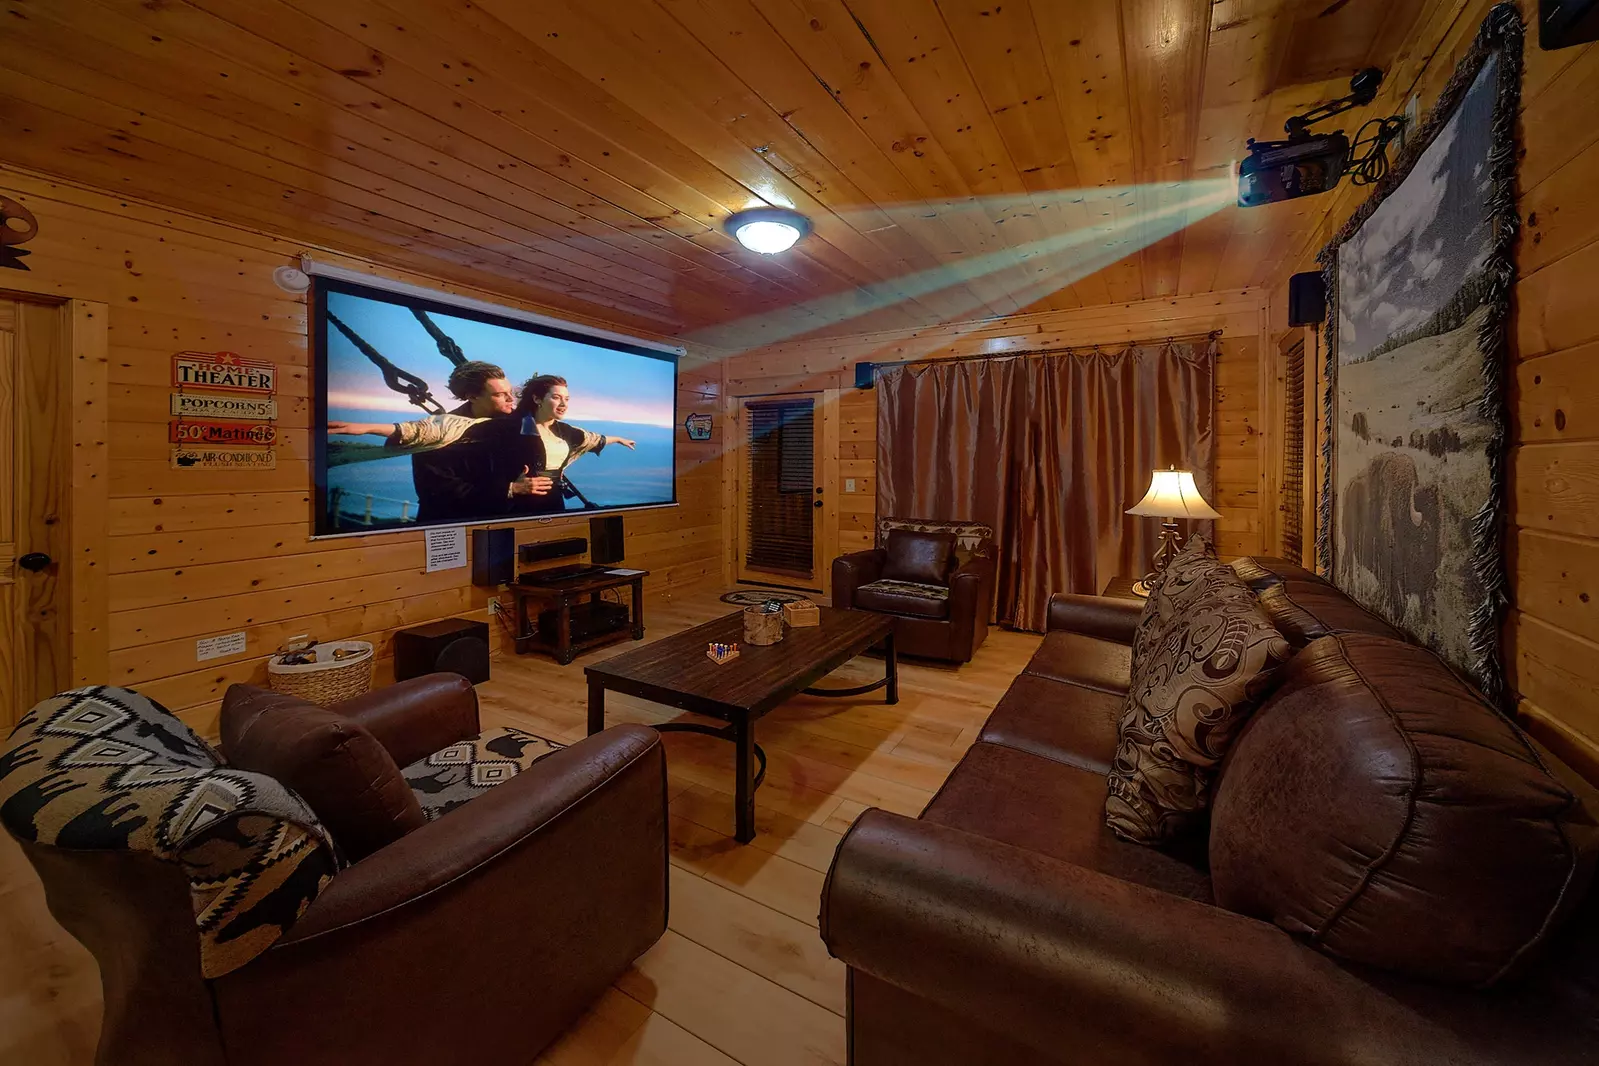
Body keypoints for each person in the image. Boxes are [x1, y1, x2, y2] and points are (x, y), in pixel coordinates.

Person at [327, 361, 517, 524]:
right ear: (473, 397)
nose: (511, 399)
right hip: (448, 528)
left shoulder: (517, 424)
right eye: (500, 394)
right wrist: (510, 490)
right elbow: (443, 493)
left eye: (510, 392)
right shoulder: (439, 435)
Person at [462, 374, 636, 516]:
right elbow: (472, 469)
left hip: (553, 501)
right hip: (517, 504)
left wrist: (618, 439)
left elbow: (592, 439)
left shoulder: (565, 431)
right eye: (556, 398)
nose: (563, 404)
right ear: (537, 399)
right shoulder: (506, 428)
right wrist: (511, 488)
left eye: (567, 399)